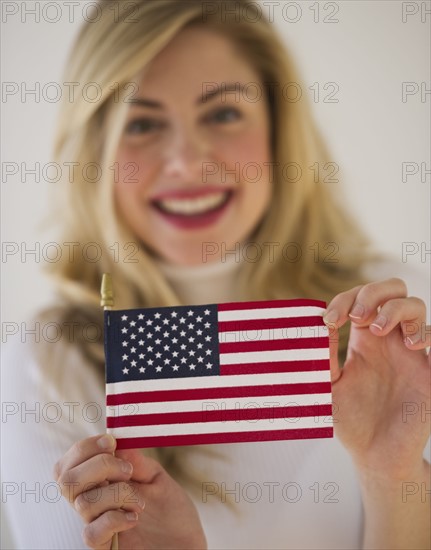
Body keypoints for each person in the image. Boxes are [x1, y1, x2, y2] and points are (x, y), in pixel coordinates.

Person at [2, 0, 430, 549]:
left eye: (222, 113)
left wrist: (389, 479)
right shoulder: (47, 366)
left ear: (279, 131)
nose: (186, 161)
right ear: (95, 153)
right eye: (143, 122)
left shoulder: (394, 325)